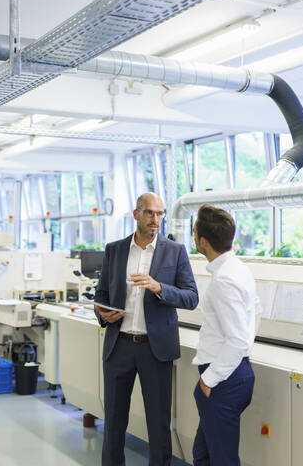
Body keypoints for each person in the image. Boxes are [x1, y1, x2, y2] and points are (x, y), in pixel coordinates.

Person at [94, 192, 198, 466]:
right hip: (119, 347)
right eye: (150, 213)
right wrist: (102, 313)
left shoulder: (175, 251)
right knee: (114, 422)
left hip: (156, 350)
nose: (156, 220)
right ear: (136, 214)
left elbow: (191, 297)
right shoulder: (115, 250)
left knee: (158, 425)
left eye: (160, 213)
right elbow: (101, 293)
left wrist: (159, 287)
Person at [192, 204, 261, 466]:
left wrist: (209, 380)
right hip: (233, 373)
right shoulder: (237, 268)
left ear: (204, 241)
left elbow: (237, 339)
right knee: (203, 454)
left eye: (195, 231)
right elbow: (256, 312)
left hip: (223, 380)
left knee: (222, 460)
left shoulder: (224, 280)